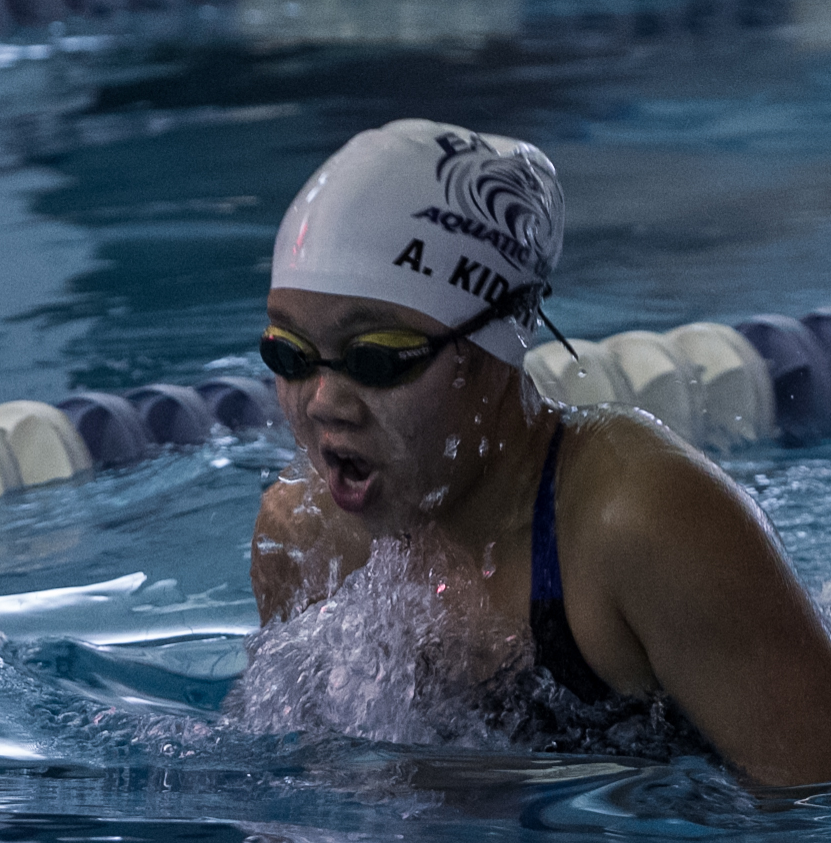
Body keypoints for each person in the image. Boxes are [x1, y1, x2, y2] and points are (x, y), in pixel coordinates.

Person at [248, 119, 831, 787]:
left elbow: (811, 810)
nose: (323, 402)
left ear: (493, 345)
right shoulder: (302, 538)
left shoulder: (641, 521)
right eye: (288, 354)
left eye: (376, 358)